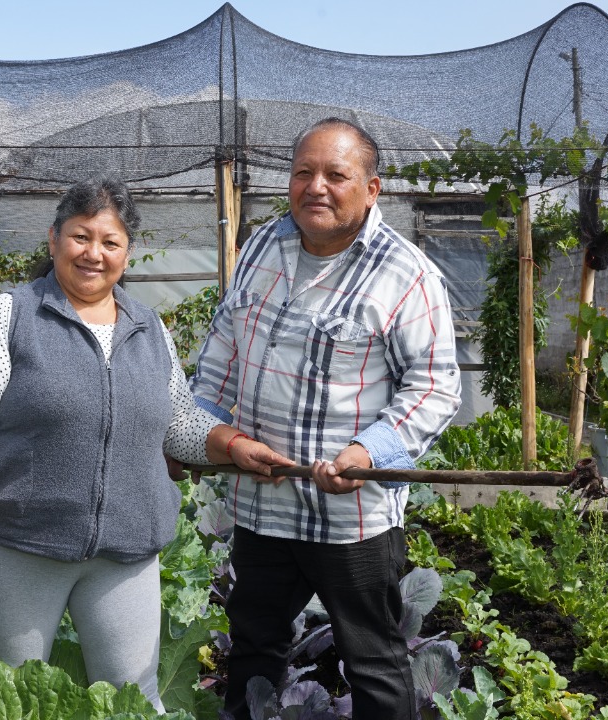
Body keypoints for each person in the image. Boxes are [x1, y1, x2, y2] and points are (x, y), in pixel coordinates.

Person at [0, 176, 291, 712]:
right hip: (23, 547)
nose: (93, 253)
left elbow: (178, 424)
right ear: (53, 239)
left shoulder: (149, 329)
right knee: (5, 695)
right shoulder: (10, 317)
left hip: (126, 552)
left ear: (128, 253)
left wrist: (232, 445)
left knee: (134, 698)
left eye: (110, 242)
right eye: (80, 237)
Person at [189, 118, 462, 719]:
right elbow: (221, 355)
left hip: (352, 518)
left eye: (336, 174)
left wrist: (366, 454)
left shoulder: (405, 272)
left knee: (375, 662)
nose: (316, 186)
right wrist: (201, 434)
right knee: (254, 647)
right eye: (303, 172)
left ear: (372, 188)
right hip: (264, 501)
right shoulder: (262, 246)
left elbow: (435, 387)